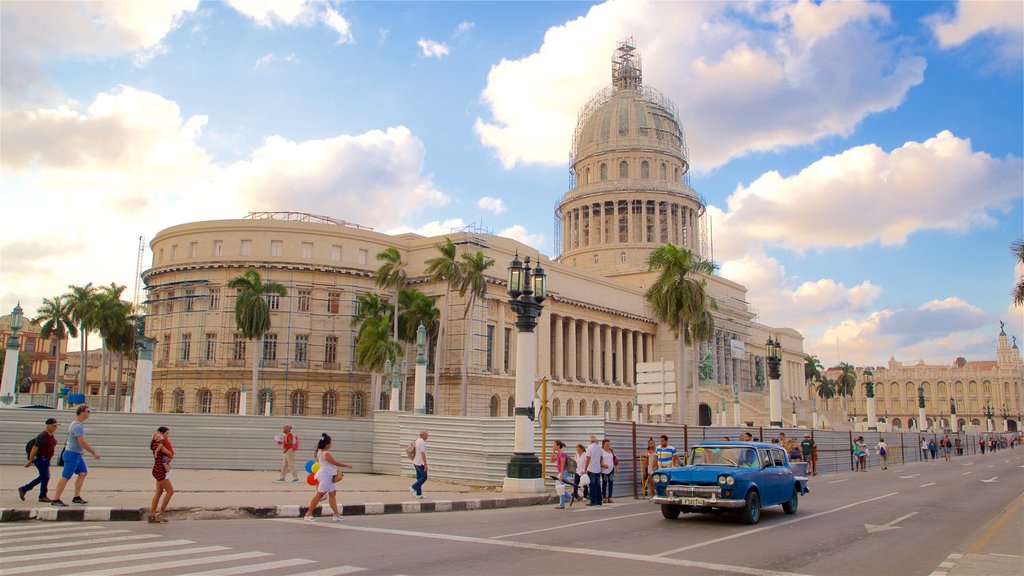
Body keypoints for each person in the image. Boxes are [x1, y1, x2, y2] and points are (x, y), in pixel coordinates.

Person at [51, 405, 100, 507]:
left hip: (76, 454)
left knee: (82, 473)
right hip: (72, 454)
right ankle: (56, 499)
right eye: (88, 411)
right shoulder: (77, 426)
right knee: (65, 477)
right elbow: (82, 442)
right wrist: (93, 452)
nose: (89, 413)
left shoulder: (77, 424)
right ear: (82, 412)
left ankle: (76, 497)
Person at [303, 433, 352, 522]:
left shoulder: (320, 452)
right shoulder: (326, 453)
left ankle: (336, 514)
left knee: (332, 494)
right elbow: (335, 462)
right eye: (330, 442)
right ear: (327, 444)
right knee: (319, 495)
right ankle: (308, 513)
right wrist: (347, 465)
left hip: (328, 476)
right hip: (325, 477)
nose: (331, 444)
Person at [19, 418, 59, 503]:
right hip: (41, 459)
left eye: (56, 426)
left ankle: (24, 489)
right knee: (45, 477)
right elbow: (35, 447)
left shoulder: (50, 435)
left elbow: (51, 443)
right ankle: (42, 496)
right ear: (48, 426)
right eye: (54, 426)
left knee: (43, 477)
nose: (55, 428)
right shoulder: (43, 435)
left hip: (46, 459)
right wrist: (30, 460)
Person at [148, 426, 175, 523]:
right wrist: (170, 456)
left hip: (158, 469)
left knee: (159, 492)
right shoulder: (160, 445)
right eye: (166, 433)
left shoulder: (156, 445)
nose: (167, 436)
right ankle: (160, 514)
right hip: (160, 470)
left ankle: (152, 514)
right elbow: (169, 454)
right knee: (170, 491)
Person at [582, 435, 604, 506]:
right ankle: (599, 501)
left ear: (590, 441)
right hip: (598, 469)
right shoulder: (599, 447)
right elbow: (601, 458)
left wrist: (585, 468)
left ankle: (593, 501)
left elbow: (588, 459)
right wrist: (599, 464)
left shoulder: (589, 448)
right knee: (598, 485)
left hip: (591, 469)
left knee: (592, 485)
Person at [551, 440, 571, 509]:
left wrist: (561, 475)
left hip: (564, 472)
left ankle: (562, 504)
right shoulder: (558, 454)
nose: (553, 446)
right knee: (558, 488)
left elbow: (563, 465)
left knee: (560, 488)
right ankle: (570, 497)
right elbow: (551, 461)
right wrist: (553, 452)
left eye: (554, 445)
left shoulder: (562, 454)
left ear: (558, 446)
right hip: (560, 472)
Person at [410, 430, 429, 498]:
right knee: (424, 477)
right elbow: (423, 453)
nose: (428, 436)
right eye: (427, 434)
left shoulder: (417, 440)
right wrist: (425, 464)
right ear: (423, 435)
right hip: (420, 463)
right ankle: (413, 487)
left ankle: (419, 494)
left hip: (415, 462)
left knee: (419, 478)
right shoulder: (422, 442)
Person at [600, 439, 616, 504]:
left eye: (609, 444)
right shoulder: (601, 451)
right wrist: (603, 465)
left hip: (611, 469)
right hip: (604, 470)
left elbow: (614, 459)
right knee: (604, 483)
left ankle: (610, 497)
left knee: (611, 483)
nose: (608, 445)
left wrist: (616, 467)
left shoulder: (611, 451)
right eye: (606, 444)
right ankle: (604, 497)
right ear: (603, 444)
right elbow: (599, 460)